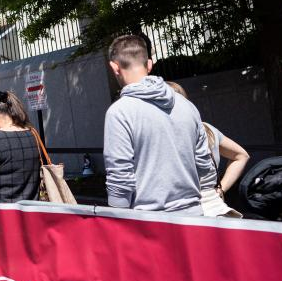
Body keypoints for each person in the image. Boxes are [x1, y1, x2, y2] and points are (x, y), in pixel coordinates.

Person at [102, 34, 212, 214]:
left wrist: (117, 217)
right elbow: (204, 165)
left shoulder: (120, 112)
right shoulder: (187, 106)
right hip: (194, 217)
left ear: (114, 67)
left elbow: (120, 177)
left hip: (149, 222)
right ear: (149, 64)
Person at [167, 82, 248, 218]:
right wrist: (220, 190)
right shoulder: (206, 129)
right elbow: (241, 156)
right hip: (217, 209)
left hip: (187, 214)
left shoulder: (164, 135)